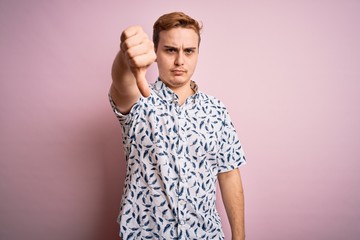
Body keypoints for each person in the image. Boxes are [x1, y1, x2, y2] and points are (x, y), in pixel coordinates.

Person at [109, 12, 246, 240]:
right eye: (170, 50)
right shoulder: (139, 101)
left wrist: (239, 238)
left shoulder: (217, 110)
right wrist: (125, 59)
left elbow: (230, 175)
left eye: (189, 51)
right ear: (155, 52)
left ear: (197, 53)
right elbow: (122, 84)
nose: (180, 61)